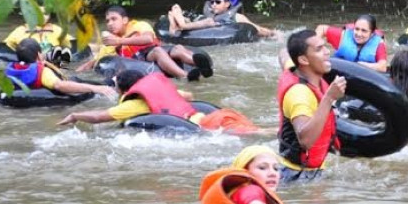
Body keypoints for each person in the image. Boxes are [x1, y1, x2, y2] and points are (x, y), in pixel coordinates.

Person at [56, 70, 261, 135]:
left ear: (124, 90)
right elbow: (189, 96)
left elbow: (99, 117)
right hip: (213, 116)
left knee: (256, 134)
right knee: (258, 131)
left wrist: (75, 115)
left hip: (207, 127)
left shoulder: (132, 105)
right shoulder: (165, 92)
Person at [276, 29, 347, 182]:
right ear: (304, 60)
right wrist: (329, 98)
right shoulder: (299, 94)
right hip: (296, 176)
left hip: (311, 170)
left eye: (325, 46)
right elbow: (306, 141)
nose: (327, 52)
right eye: (319, 49)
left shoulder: (297, 68)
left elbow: (284, 56)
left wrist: (284, 46)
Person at [76, 6, 212, 82]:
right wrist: (76, 72)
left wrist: (120, 41)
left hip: (150, 50)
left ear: (125, 20)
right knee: (158, 52)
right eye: (107, 21)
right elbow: (95, 62)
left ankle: (199, 64)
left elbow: (148, 39)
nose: (110, 23)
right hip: (139, 59)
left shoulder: (139, 25)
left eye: (114, 19)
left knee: (178, 48)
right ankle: (185, 75)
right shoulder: (108, 43)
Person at [3, 39, 115, 98]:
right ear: (39, 55)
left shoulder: (12, 70)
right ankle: (112, 81)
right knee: (103, 84)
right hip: (72, 85)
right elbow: (60, 85)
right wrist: (95, 89)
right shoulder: (43, 72)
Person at [166, 0, 275, 38]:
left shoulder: (237, 17)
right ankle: (176, 22)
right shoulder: (208, 16)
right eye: (212, 2)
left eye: (218, 2)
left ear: (227, 4)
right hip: (203, 27)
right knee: (174, 11)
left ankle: (178, 23)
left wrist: (272, 34)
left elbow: (256, 29)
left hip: (225, 32)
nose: (214, 4)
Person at [0, 7, 73, 58]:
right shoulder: (20, 31)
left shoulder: (56, 29)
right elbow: (4, 49)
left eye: (45, 14)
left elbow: (75, 45)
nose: (42, 17)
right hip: (28, 63)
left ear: (49, 16)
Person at [315, 14, 388, 72]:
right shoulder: (343, 35)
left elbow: (382, 67)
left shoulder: (379, 44)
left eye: (364, 31)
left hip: (362, 78)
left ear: (372, 33)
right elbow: (322, 28)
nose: (359, 34)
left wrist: (361, 65)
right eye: (357, 29)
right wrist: (316, 48)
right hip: (338, 73)